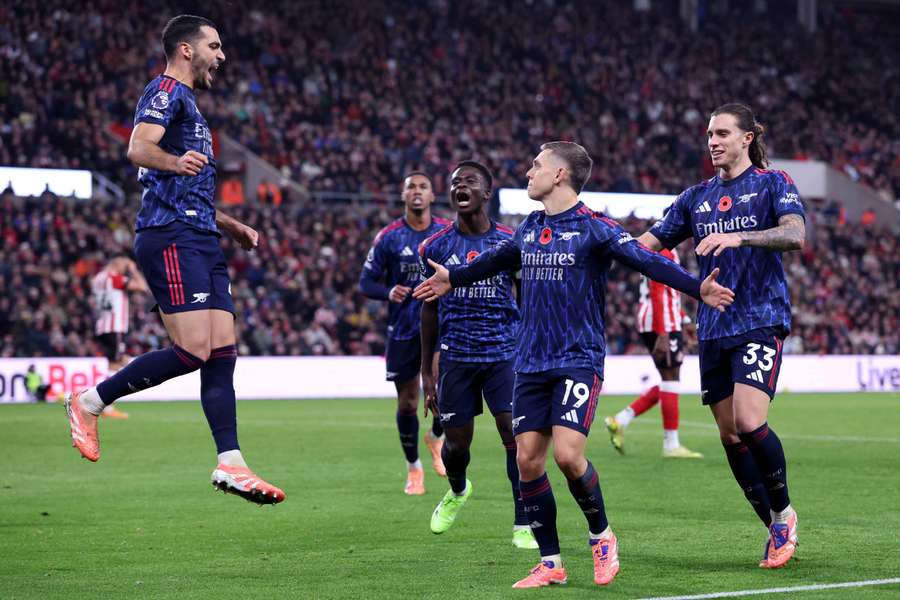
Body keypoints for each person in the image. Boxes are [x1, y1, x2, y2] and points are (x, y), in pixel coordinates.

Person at [414, 141, 734, 588]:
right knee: (528, 461)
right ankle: (550, 562)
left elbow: (647, 261)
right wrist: (453, 277)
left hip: (577, 360)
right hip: (530, 363)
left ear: (559, 175)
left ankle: (602, 536)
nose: (529, 173)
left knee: (567, 456)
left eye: (536, 166)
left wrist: (697, 288)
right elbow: (492, 261)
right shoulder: (529, 228)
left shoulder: (595, 228)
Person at [64, 15, 285, 505]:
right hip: (170, 235)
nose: (221, 56)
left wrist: (231, 225)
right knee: (192, 351)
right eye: (215, 46)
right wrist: (173, 160)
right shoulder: (165, 91)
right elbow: (138, 148)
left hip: (201, 234)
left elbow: (188, 185)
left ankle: (231, 463)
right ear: (186, 49)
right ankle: (89, 402)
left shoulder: (192, 106)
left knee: (222, 351)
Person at [637, 103, 805, 569]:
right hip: (713, 329)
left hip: (760, 319)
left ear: (747, 138)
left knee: (749, 422)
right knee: (730, 436)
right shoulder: (695, 197)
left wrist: (740, 237)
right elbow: (647, 246)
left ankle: (784, 514)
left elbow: (795, 234)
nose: (712, 141)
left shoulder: (773, 183)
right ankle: (774, 527)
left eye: (722, 133)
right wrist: (599, 243)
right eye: (710, 134)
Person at [419, 161, 537, 550]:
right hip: (457, 358)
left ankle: (524, 521)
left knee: (514, 436)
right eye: (455, 183)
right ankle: (458, 490)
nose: (461, 187)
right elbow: (428, 308)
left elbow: (528, 297)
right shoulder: (435, 246)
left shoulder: (509, 242)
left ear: (486, 193)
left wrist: (529, 345)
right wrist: (427, 372)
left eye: (469, 182)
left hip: (504, 355)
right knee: (456, 448)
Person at [358, 172, 451, 495]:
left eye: (423, 186)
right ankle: (414, 468)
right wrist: (388, 292)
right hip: (404, 331)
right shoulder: (389, 237)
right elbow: (365, 282)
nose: (417, 191)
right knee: (409, 403)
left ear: (432, 195)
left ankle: (436, 436)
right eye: (411, 186)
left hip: (443, 326)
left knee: (444, 392)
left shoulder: (446, 232)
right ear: (403, 195)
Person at [604, 247, 703, 458]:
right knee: (671, 380)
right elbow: (658, 290)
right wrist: (663, 333)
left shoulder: (657, 249)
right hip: (662, 323)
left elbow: (669, 294)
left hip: (655, 319)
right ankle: (671, 445)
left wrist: (685, 320)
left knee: (668, 382)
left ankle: (621, 420)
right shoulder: (665, 251)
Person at [91, 254, 150, 419]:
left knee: (120, 361)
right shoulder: (114, 278)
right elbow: (142, 287)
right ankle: (106, 405)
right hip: (114, 325)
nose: (126, 270)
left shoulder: (98, 278)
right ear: (118, 264)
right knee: (115, 365)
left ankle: (101, 401)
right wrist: (133, 270)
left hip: (102, 325)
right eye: (125, 266)